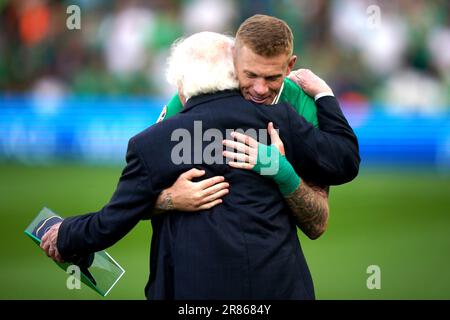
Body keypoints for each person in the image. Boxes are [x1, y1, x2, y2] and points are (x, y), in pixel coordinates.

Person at [41, 31, 357, 299]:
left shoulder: (152, 142)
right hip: (282, 288)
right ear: (235, 74)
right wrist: (325, 96)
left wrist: (65, 235)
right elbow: (344, 163)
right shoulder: (281, 120)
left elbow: (110, 222)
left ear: (181, 83)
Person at [152, 14, 359, 238]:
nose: (260, 89)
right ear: (234, 59)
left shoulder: (299, 105)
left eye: (271, 77)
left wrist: (281, 171)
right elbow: (138, 188)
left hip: (265, 256)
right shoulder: (199, 90)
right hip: (194, 256)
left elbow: (317, 224)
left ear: (289, 66)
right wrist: (170, 198)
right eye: (250, 75)